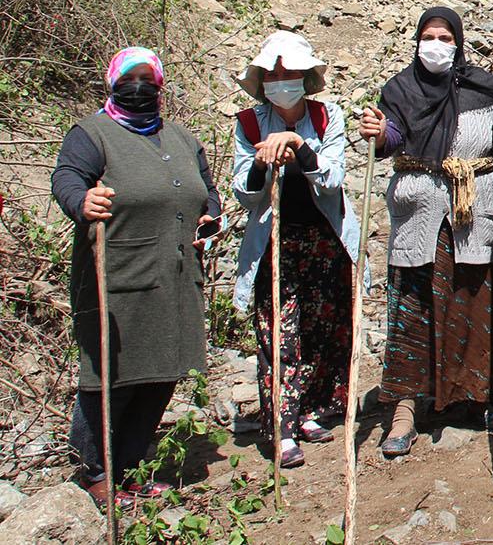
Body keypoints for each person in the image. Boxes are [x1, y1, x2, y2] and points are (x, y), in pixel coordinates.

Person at [52, 47, 220, 507]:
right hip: (118, 275)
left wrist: (211, 219)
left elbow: (208, 193)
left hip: (176, 275)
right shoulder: (92, 135)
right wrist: (81, 202)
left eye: (149, 78)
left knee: (162, 371)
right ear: (113, 81)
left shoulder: (182, 139)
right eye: (131, 77)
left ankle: (131, 467)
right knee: (109, 373)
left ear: (160, 85)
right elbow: (67, 177)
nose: (140, 86)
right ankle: (94, 471)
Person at [358, 7, 493, 458]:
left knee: (474, 301)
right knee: (412, 307)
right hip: (419, 216)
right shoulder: (400, 90)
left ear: (458, 42)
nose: (436, 44)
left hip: (473, 215)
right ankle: (403, 410)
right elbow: (393, 136)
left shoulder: (486, 87)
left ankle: (478, 398)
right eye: (428, 36)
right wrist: (379, 132)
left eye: (445, 36)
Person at [230, 32, 360, 469]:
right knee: (279, 333)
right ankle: (282, 426)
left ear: (306, 78)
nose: (281, 80)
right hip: (275, 242)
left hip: (323, 240)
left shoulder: (327, 118)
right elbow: (245, 196)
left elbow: (333, 179)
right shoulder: (249, 125)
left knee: (323, 329)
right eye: (274, 74)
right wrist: (262, 164)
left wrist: (301, 147)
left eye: (290, 73)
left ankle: (310, 408)